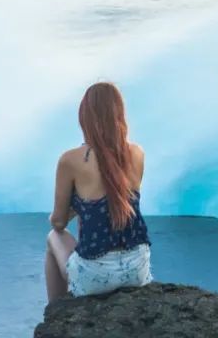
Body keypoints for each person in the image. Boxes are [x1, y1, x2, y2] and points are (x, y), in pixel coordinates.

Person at [45, 82, 152, 302]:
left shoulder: (70, 160)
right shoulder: (137, 153)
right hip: (137, 271)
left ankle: (56, 312)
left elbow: (58, 223)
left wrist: (78, 207)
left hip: (97, 277)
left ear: (85, 117)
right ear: (119, 114)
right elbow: (118, 206)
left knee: (53, 238)